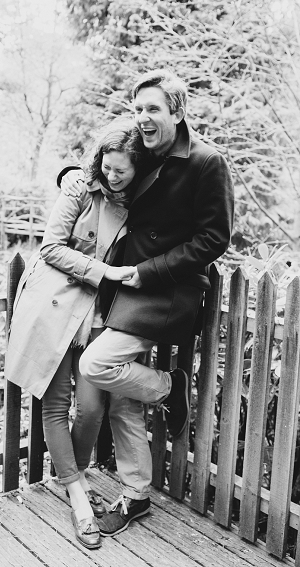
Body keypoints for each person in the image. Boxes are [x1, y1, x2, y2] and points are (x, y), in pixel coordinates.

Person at [58, 69, 234, 536]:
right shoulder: (140, 150)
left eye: (153, 108)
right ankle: (136, 495)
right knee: (119, 403)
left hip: (166, 289)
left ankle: (167, 387)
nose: (143, 118)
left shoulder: (205, 161)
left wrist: (151, 271)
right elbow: (106, 168)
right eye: (138, 109)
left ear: (178, 111)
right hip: (126, 284)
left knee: (96, 365)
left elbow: (215, 237)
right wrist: (74, 180)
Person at [5, 118, 144, 550]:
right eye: (107, 164)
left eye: (122, 169)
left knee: (91, 409)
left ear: (138, 169)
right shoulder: (79, 188)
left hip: (100, 314)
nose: (112, 174)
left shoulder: (142, 202)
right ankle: (79, 496)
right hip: (58, 305)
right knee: (56, 403)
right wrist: (105, 272)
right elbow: (50, 246)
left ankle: (71, 476)